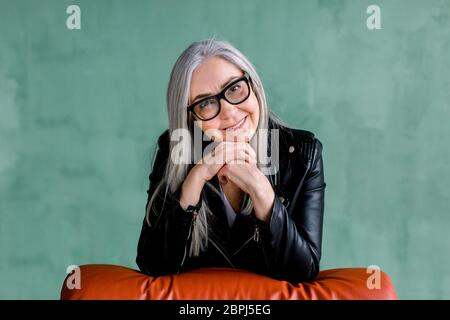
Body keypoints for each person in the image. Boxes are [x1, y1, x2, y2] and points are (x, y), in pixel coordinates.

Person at [136, 38, 326, 283]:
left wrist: (261, 191)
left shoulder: (303, 155)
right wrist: (195, 179)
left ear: (252, 85)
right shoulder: (175, 149)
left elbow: (303, 272)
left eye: (234, 88)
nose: (228, 111)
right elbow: (153, 265)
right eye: (205, 103)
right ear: (191, 118)